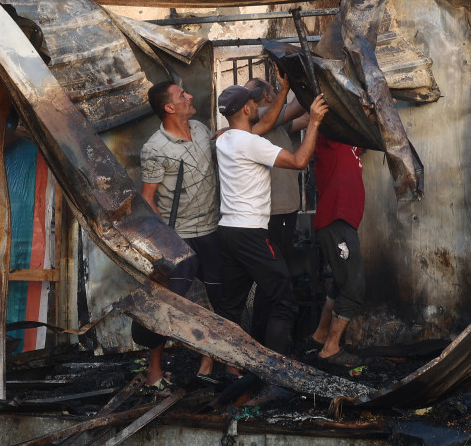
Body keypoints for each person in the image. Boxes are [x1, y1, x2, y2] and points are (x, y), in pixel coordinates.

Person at [213, 70, 329, 354]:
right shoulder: (252, 143)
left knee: (230, 307)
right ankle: (274, 370)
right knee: (284, 302)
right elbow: (301, 161)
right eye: (253, 103)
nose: (257, 106)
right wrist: (314, 122)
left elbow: (266, 121)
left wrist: (285, 86)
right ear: (247, 108)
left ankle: (229, 364)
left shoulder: (224, 140)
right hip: (252, 233)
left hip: (227, 231)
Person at [134, 80, 226, 388]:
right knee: (166, 303)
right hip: (180, 238)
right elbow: (148, 198)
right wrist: (166, 240)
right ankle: (154, 371)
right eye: (181, 95)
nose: (189, 96)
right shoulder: (155, 149)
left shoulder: (200, 129)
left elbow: (210, 163)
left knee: (215, 298)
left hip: (212, 229)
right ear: (169, 107)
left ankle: (209, 361)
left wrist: (225, 138)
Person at [243, 77, 308, 343]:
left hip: (284, 212)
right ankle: (264, 340)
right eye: (272, 91)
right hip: (273, 214)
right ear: (269, 98)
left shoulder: (276, 124)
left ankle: (265, 337)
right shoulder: (261, 124)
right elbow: (295, 107)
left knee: (275, 279)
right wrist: (295, 80)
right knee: (274, 281)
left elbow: (302, 116)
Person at [308, 134, 366, 366]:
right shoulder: (331, 137)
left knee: (342, 283)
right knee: (354, 287)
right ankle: (330, 349)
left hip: (341, 222)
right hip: (336, 220)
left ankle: (320, 336)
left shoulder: (351, 143)